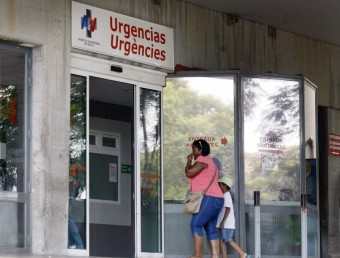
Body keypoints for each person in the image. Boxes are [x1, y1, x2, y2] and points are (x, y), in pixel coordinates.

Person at [185, 139, 224, 258]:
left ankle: (197, 255)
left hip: (209, 198)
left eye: (195, 150)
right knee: (211, 229)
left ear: (201, 150)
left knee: (195, 224)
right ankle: (215, 256)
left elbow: (189, 172)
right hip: (218, 199)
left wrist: (188, 161)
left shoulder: (202, 160)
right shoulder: (212, 162)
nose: (193, 153)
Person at [217, 176, 249, 258]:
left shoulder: (227, 195)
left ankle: (242, 253)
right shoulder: (223, 195)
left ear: (224, 185)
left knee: (228, 240)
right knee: (221, 241)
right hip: (222, 224)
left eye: (219, 184)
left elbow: (228, 209)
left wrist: (223, 222)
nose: (218, 186)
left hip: (227, 224)